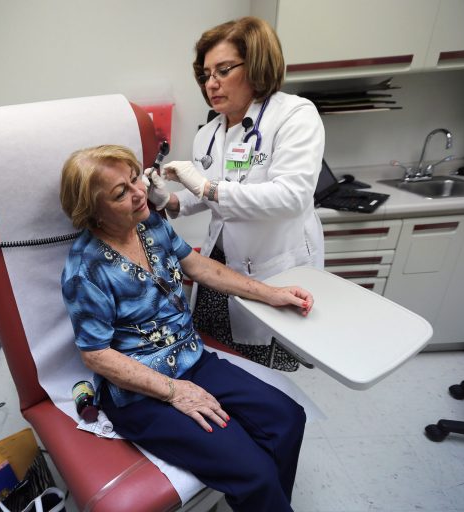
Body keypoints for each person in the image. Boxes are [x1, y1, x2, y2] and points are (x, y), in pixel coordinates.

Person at [59, 144, 313, 512]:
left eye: (134, 180)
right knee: (252, 470)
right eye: (119, 194)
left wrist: (271, 294)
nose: (138, 193)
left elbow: (197, 266)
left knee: (288, 418)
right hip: (141, 391)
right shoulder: (86, 271)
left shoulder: (148, 222)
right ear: (91, 213)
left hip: (192, 358)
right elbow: (95, 355)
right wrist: (173, 391)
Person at [146, 17, 325, 371]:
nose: (211, 84)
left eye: (223, 70)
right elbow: (208, 200)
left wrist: (207, 186)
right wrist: (167, 200)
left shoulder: (294, 116)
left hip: (276, 267)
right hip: (220, 266)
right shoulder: (209, 133)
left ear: (256, 65)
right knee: (221, 358)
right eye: (205, 74)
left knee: (268, 369)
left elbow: (291, 197)